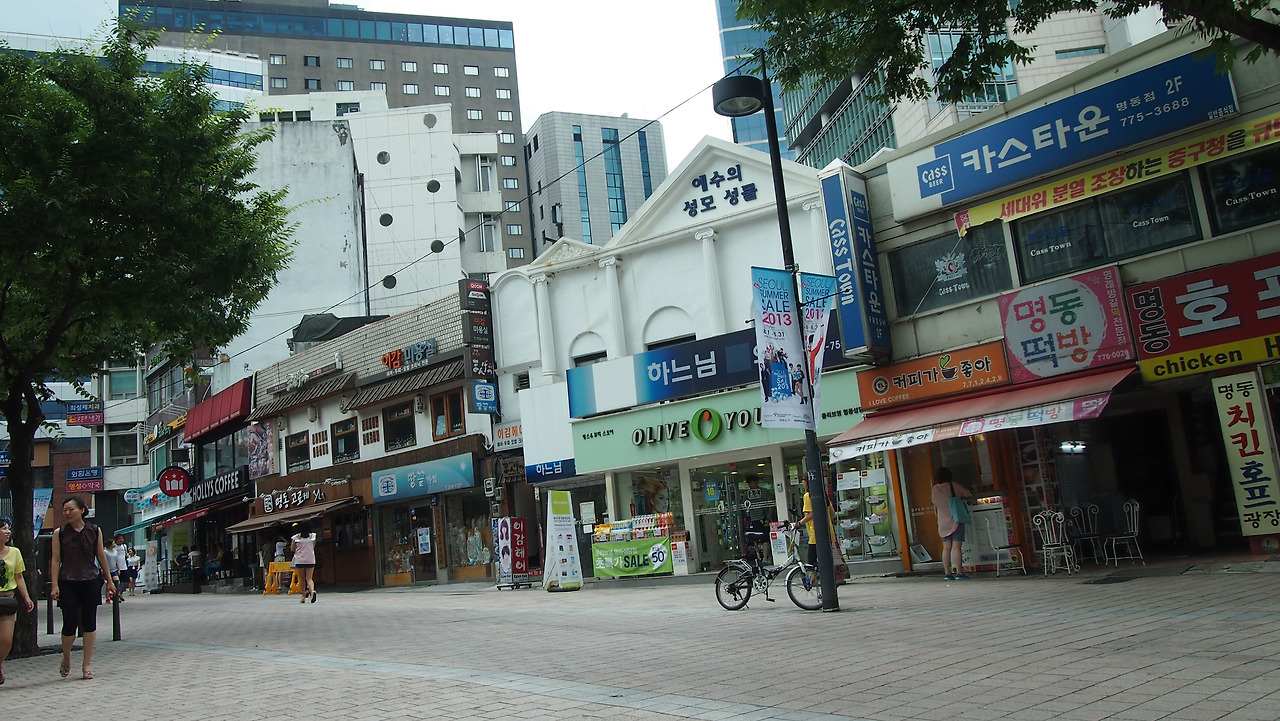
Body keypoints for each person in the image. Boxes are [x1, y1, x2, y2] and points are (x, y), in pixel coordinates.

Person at [51, 496, 116, 680]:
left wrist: (109, 580)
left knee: (89, 622)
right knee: (69, 623)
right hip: (68, 581)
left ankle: (87, 664)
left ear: (82, 510)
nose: (67, 513)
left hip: (90, 580)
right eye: (64, 510)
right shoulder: (60, 533)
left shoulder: (94, 530)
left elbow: (101, 556)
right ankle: (66, 656)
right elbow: (55, 560)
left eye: (71, 509)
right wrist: (55, 585)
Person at [1, 517, 36, 686]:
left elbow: (19, 577)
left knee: (7, 639)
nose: (7, 532)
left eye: (8, 528)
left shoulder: (15, 552)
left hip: (7, 600)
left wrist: (27, 597)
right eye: (3, 528)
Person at [931, 467, 973, 581]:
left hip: (942, 522)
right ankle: (959, 573)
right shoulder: (953, 486)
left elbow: (934, 502)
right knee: (957, 548)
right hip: (955, 520)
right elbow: (967, 494)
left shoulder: (934, 489)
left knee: (946, 548)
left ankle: (947, 574)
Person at [290, 522, 319, 603]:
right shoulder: (313, 536)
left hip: (300, 560)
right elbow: (313, 546)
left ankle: (303, 596)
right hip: (310, 559)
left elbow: (292, 549)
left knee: (301, 578)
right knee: (309, 578)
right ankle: (312, 591)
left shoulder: (296, 537)